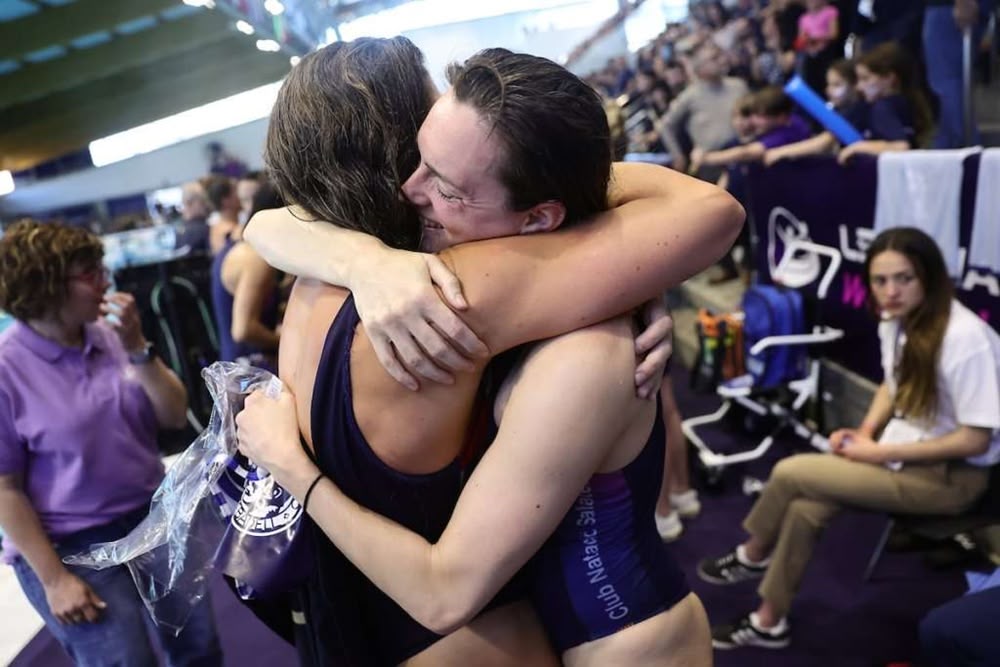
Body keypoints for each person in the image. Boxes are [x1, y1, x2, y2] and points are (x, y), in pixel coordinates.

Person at [239, 39, 743, 665]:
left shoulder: (354, 290)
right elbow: (272, 223)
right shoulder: (427, 284)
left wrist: (636, 273)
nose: (414, 187)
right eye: (419, 154)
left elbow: (267, 224)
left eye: (444, 178)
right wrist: (360, 258)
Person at [699, 226, 1000, 650]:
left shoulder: (964, 339)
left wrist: (876, 451)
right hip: (907, 457)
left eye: (904, 278)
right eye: (880, 280)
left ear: (928, 278)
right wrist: (864, 432)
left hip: (952, 479)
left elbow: (975, 439)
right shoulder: (899, 321)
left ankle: (752, 554)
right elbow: (890, 385)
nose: (890, 291)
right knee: (807, 508)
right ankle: (769, 622)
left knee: (789, 472)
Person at [0, 220, 222, 666]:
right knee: (125, 660)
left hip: (152, 519)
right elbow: (6, 489)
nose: (106, 282)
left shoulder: (110, 336)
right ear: (43, 284)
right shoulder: (8, 368)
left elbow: (174, 415)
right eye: (90, 273)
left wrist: (139, 348)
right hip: (71, 544)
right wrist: (54, 578)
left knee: (199, 648)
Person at [209, 177, 282, 370]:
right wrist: (284, 340)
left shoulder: (236, 241)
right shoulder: (254, 257)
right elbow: (243, 330)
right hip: (250, 373)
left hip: (240, 369)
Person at [838, 41, 933, 163]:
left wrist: (858, 147)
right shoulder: (906, 104)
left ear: (889, 78)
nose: (859, 87)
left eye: (865, 78)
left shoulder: (883, 108)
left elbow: (901, 147)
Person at [764, 58, 869, 165]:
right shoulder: (840, 110)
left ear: (854, 85)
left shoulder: (856, 110)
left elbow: (823, 143)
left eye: (837, 85)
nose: (829, 90)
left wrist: (778, 152)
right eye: (829, 84)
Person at [690, 87, 814, 171]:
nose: (754, 120)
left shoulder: (785, 133)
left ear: (780, 117)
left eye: (761, 116)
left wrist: (707, 158)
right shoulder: (791, 120)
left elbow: (746, 153)